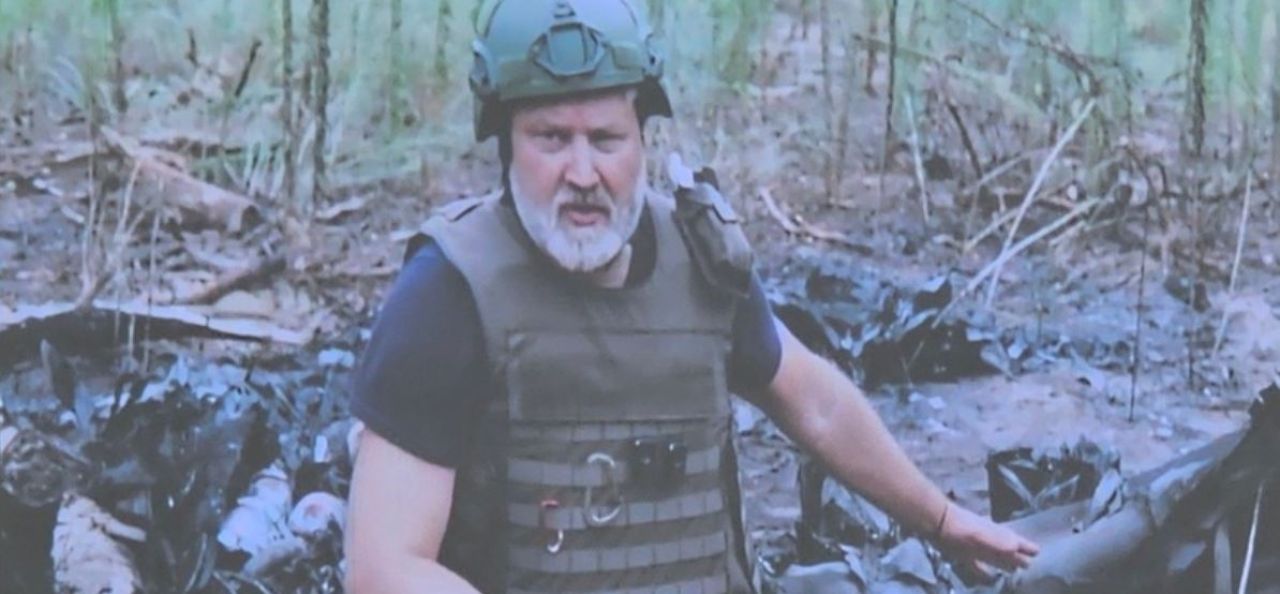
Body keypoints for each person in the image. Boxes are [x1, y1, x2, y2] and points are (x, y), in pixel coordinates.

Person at [343, 1, 1039, 592]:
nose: (581, 172)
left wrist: (942, 521)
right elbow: (384, 567)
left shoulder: (700, 260)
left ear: (643, 141)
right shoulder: (448, 291)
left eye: (606, 139)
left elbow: (817, 405)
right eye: (551, 139)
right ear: (506, 143)